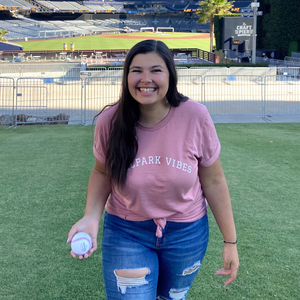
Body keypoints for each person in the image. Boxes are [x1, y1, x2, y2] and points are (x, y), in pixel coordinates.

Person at [67, 39, 239, 299]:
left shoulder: (195, 116)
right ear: (126, 76)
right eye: (136, 70)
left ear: (170, 75)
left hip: (187, 234)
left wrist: (230, 242)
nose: (145, 78)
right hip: (127, 231)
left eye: (156, 70)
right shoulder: (110, 121)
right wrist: (91, 217)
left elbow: (214, 181)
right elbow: (102, 172)